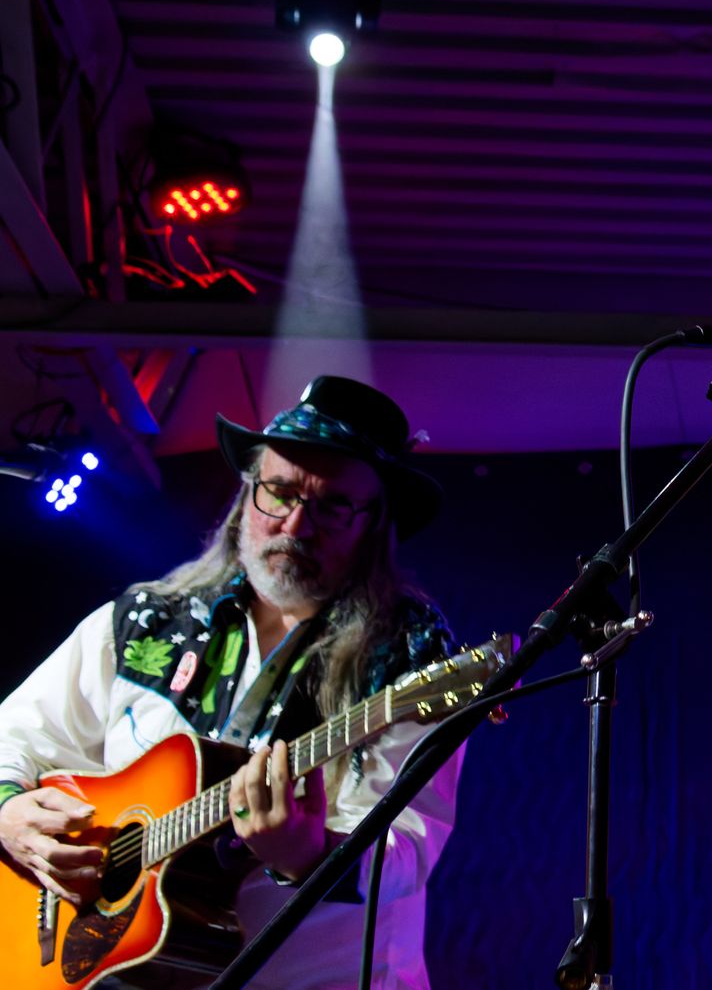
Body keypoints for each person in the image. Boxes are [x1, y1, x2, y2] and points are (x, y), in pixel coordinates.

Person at [0, 376, 460, 989]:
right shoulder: (146, 620)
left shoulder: (411, 657)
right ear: (247, 494)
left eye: (332, 506)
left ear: (374, 526)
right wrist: (9, 812)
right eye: (280, 492)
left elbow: (410, 846)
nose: (297, 525)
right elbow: (15, 737)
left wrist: (307, 855)